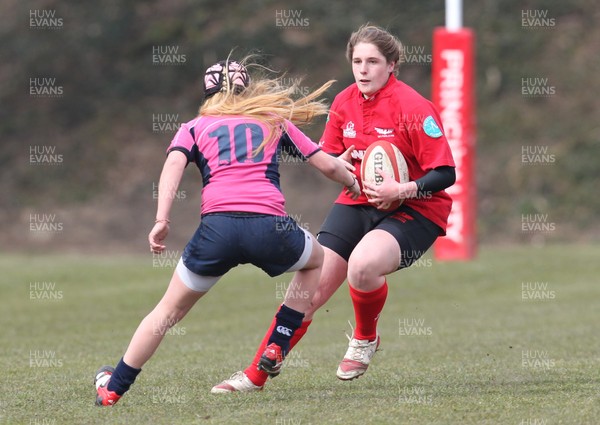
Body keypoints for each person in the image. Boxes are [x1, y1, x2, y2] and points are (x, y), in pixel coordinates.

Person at [94, 58, 360, 406]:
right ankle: (278, 344)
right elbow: (326, 163)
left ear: (206, 95)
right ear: (247, 90)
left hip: (217, 230)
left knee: (166, 312)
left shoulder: (194, 127)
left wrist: (162, 219)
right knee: (316, 260)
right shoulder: (272, 121)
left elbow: (173, 164)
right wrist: (351, 180)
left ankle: (114, 388)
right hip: (270, 227)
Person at [212, 24, 456, 393]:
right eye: (357, 61)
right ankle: (255, 374)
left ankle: (364, 338)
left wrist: (401, 188)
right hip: (358, 200)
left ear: (392, 65)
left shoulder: (414, 107)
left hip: (417, 208)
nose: (363, 69)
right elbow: (331, 157)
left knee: (363, 265)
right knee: (308, 287)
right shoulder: (344, 102)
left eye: (373, 61)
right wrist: (338, 166)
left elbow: (445, 172)